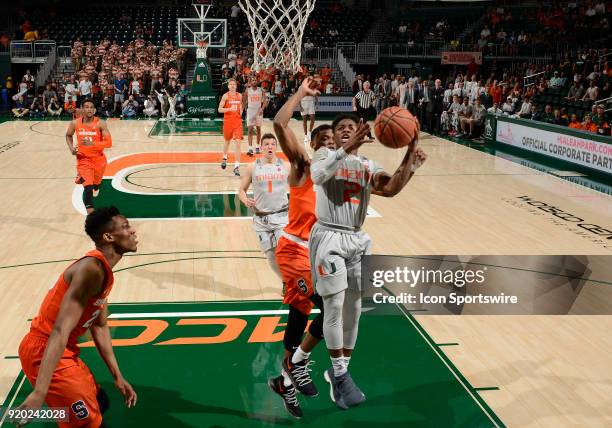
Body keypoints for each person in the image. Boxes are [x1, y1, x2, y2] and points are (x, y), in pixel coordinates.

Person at [309, 114, 427, 409]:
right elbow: (317, 176)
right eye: (341, 128)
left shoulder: (367, 166)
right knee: (334, 305)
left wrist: (410, 156)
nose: (348, 130)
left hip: (357, 238)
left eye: (352, 127)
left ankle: (340, 370)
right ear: (334, 136)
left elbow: (390, 189)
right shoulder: (325, 154)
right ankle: (340, 376)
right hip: (329, 237)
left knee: (355, 307)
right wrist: (344, 150)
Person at [15, 207, 138, 428]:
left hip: (62, 350)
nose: (133, 231)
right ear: (108, 237)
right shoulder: (91, 269)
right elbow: (60, 331)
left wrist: (117, 376)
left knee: (101, 402)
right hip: (44, 351)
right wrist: (40, 392)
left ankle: (59, 411)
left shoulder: (103, 271)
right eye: (126, 226)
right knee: (89, 424)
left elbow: (100, 326)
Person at [269, 77, 333, 418]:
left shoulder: (337, 178)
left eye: (333, 141)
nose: (328, 145)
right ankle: (295, 368)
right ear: (312, 144)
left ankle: (285, 380)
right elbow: (278, 124)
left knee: (299, 321)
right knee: (329, 307)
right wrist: (301, 94)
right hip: (294, 251)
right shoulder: (303, 167)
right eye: (321, 140)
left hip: (317, 255)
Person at [238, 133, 289, 277]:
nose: (270, 147)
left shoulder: (286, 166)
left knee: (284, 251)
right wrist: (245, 199)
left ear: (276, 147)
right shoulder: (252, 167)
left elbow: (299, 187)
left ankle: (293, 281)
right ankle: (284, 280)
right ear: (261, 147)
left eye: (273, 144)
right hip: (261, 219)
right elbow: (241, 190)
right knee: (270, 256)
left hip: (282, 217)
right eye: (266, 144)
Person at [66, 99, 113, 214]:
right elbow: (68, 135)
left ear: (95, 110)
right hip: (83, 160)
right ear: (81, 109)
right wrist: (71, 149)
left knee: (96, 185)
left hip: (99, 159)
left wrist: (93, 144)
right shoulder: (75, 123)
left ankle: (96, 186)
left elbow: (109, 143)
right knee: (88, 188)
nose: (89, 109)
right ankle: (91, 217)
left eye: (91, 107)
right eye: (86, 107)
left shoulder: (101, 123)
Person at [218, 78, 243, 176]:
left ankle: (236, 167)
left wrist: (241, 111)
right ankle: (224, 157)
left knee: (238, 143)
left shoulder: (240, 96)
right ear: (228, 86)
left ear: (236, 86)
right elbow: (219, 109)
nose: (232, 86)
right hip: (228, 122)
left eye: (234, 84)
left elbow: (240, 107)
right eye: (231, 84)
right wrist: (229, 109)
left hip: (237, 122)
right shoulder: (225, 96)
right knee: (227, 141)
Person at [243, 78, 268, 156]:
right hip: (250, 110)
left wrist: (262, 109)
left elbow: (265, 101)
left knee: (258, 129)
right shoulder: (247, 90)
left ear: (257, 82)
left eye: (255, 80)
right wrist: (245, 110)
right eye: (252, 80)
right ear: (250, 82)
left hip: (258, 111)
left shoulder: (261, 90)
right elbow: (244, 101)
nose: (254, 81)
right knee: (250, 129)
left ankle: (257, 146)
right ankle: (250, 148)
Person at [300, 78, 317, 144]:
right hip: (303, 103)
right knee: (304, 120)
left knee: (312, 119)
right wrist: (300, 106)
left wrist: (317, 102)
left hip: (311, 103)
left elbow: (315, 94)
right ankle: (305, 135)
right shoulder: (301, 87)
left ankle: (310, 132)